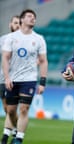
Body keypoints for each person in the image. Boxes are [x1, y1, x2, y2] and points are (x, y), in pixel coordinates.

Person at [1, 9, 48, 144]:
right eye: (29, 16)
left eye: (34, 17)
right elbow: (5, 58)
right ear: (22, 20)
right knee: (10, 111)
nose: (32, 18)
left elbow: (43, 60)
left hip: (29, 79)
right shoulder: (11, 38)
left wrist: (42, 82)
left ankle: (19, 138)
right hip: (12, 79)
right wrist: (7, 77)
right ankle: (15, 130)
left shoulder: (39, 39)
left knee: (24, 109)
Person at [0, 15, 20, 144]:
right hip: (2, 78)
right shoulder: (3, 39)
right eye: (15, 23)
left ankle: (5, 136)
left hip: (17, 78)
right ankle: (16, 129)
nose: (17, 25)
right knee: (7, 109)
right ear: (10, 25)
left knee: (12, 108)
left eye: (19, 23)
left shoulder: (26, 40)